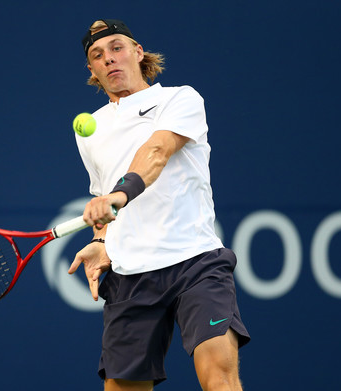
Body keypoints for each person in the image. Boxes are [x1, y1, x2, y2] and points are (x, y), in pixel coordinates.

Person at [67, 19, 251, 391]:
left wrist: (119, 195)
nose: (109, 59)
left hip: (196, 262)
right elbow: (102, 196)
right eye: (97, 55)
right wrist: (101, 243)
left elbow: (157, 152)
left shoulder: (180, 99)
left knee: (218, 377)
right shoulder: (90, 129)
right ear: (92, 71)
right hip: (130, 274)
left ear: (138, 52)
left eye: (117, 47)